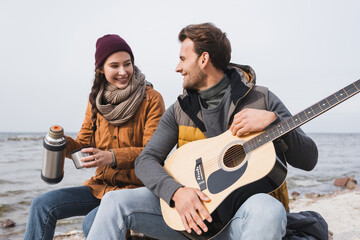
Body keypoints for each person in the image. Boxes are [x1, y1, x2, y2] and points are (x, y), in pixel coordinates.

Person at [86, 23, 318, 240]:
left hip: (242, 220)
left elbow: (309, 159)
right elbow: (145, 161)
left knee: (268, 210)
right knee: (114, 201)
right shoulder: (179, 110)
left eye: (183, 59)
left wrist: (275, 123)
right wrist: (176, 192)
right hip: (190, 220)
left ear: (204, 59)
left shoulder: (263, 99)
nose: (178, 67)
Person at [23, 34, 165, 240]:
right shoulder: (96, 101)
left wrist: (111, 156)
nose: (123, 72)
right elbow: (82, 147)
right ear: (101, 69)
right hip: (101, 187)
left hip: (136, 190)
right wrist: (60, 142)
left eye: (128, 64)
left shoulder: (151, 99)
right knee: (42, 205)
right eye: (114, 66)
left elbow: (152, 152)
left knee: (91, 222)